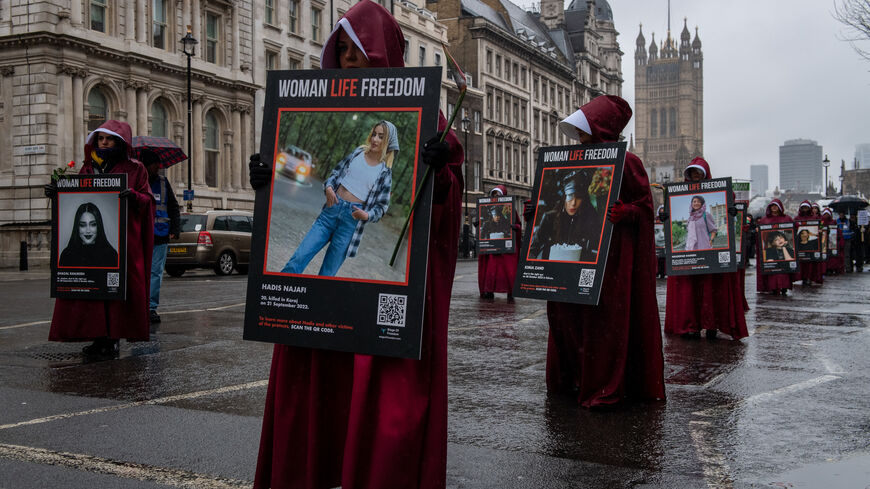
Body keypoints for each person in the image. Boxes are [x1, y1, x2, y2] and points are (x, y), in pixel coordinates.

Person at [248, 2, 464, 487]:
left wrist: (443, 173)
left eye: (357, 50)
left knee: (358, 342)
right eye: (340, 50)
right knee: (302, 277)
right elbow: (333, 174)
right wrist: (264, 177)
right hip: (330, 212)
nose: (347, 60)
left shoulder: (428, 116)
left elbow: (433, 215)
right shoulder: (336, 122)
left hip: (371, 276)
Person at [542, 94, 665, 407]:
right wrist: (536, 212)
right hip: (575, 254)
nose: (580, 138)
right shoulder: (572, 160)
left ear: (600, 129)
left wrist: (627, 213)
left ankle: (604, 381)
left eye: (585, 131)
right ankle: (574, 376)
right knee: (568, 317)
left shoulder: (628, 163)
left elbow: (646, 209)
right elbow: (559, 204)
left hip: (611, 262)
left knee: (604, 323)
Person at [45, 120, 155, 356]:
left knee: (117, 292)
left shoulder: (135, 169)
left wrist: (133, 195)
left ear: (120, 141)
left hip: (124, 243)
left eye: (109, 139)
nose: (103, 143)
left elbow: (148, 201)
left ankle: (113, 337)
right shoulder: (87, 168)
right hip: (90, 250)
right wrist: (57, 192)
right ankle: (98, 337)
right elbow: (76, 198)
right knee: (92, 290)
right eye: (100, 139)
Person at [280, 120, 398, 277]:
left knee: (327, 274)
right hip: (330, 212)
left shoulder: (385, 173)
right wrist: (328, 187)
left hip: (350, 223)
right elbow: (335, 174)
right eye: (374, 134)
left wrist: (367, 215)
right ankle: (279, 294)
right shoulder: (358, 153)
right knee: (299, 258)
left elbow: (382, 207)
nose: (375, 139)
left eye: (381, 136)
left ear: (388, 141)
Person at [664, 157, 748, 340]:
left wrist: (732, 213)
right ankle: (690, 325)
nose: (695, 176)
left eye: (699, 173)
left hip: (707, 253)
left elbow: (716, 229)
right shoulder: (688, 215)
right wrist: (665, 217)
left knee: (710, 289)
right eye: (692, 173)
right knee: (689, 290)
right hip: (689, 253)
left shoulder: (707, 214)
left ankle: (710, 325)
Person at [142, 149, 181, 324]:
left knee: (155, 273)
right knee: (140, 273)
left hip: (160, 233)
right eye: (154, 164)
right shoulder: (137, 182)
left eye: (158, 164)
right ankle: (138, 306)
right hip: (140, 234)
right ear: (146, 165)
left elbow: (173, 207)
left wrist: (175, 228)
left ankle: (150, 308)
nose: (158, 167)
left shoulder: (164, 183)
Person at [528, 170, 599, 262]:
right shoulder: (549, 218)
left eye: (578, 198)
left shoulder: (590, 220)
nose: (573, 203)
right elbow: (532, 250)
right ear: (564, 197)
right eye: (570, 196)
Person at [477, 185, 521, 302]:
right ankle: (489, 290)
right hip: (492, 249)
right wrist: (478, 225)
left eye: (498, 195)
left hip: (506, 248)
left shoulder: (509, 210)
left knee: (508, 270)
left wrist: (515, 227)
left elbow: (518, 225)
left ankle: (510, 291)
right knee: (491, 270)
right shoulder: (487, 212)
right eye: (494, 195)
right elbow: (483, 229)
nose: (496, 198)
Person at [58, 202, 119, 268]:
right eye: (82, 225)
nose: (88, 230)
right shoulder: (67, 255)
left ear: (99, 226)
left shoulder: (111, 255)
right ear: (77, 227)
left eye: (93, 224)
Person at [756, 199, 794, 295]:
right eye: (772, 206)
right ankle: (773, 287)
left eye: (775, 206)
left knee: (784, 271)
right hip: (771, 252)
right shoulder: (764, 220)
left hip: (784, 254)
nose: (774, 208)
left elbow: (794, 229)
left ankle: (784, 287)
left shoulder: (787, 218)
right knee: (772, 271)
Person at [794, 200, 824, 285]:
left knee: (811, 263)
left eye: (806, 207)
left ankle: (810, 277)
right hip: (801, 246)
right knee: (802, 263)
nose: (804, 209)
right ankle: (803, 278)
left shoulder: (815, 218)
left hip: (812, 246)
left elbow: (821, 223)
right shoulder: (797, 219)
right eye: (803, 208)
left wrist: (821, 229)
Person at [822, 208, 844, 275]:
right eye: (825, 214)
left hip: (832, 241)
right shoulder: (821, 222)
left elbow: (837, 230)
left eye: (827, 214)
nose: (826, 216)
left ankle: (832, 269)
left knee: (832, 257)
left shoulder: (833, 222)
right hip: (824, 242)